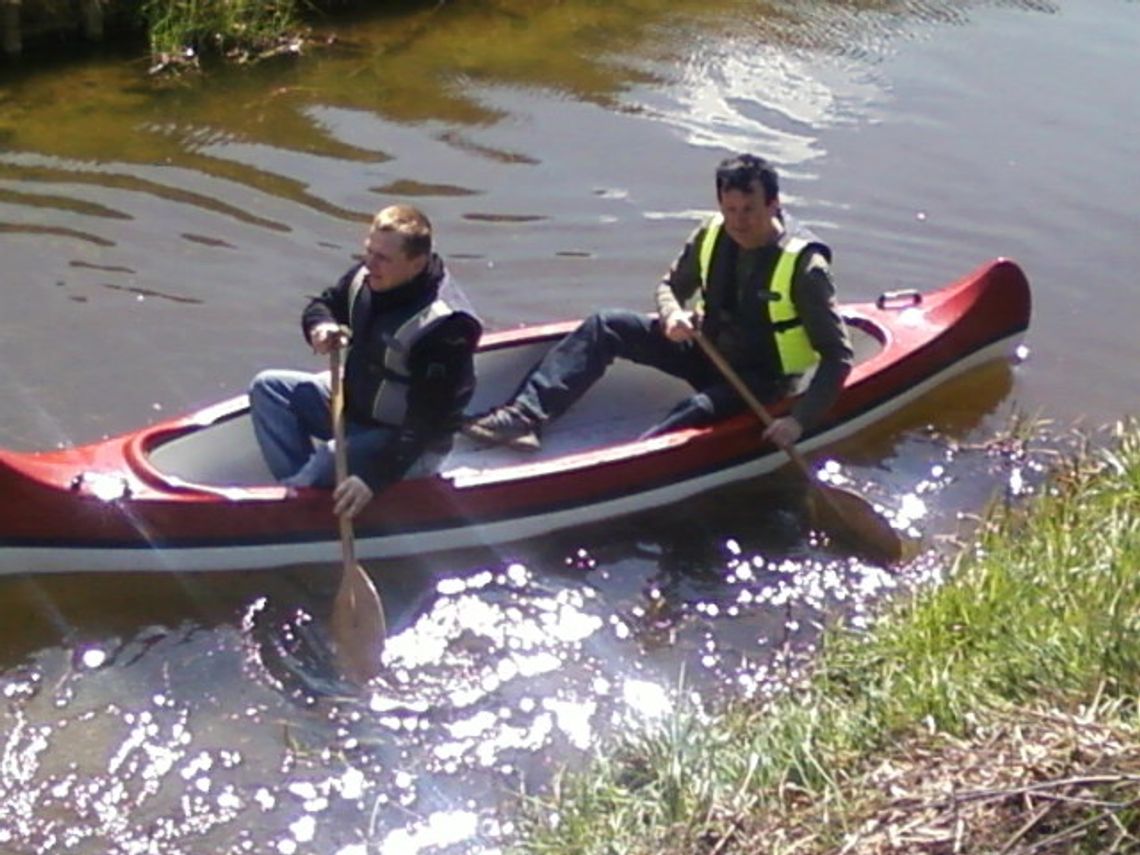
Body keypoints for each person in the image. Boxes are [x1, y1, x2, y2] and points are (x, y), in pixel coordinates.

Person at [462, 153, 853, 452]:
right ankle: (525, 416)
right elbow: (670, 287)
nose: (738, 222)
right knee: (607, 325)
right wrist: (672, 315)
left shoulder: (806, 269)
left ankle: (630, 463)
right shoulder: (712, 234)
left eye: (749, 210)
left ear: (773, 204)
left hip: (761, 382)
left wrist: (798, 421)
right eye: (730, 210)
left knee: (693, 412)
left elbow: (838, 357)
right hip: (706, 350)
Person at [249, 204, 481, 518]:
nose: (369, 263)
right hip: (354, 410)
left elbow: (428, 423)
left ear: (416, 263)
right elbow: (326, 304)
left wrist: (373, 478)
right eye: (368, 251)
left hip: (406, 441)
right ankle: (304, 492)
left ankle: (303, 499)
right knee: (269, 388)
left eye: (382, 258)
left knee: (330, 457)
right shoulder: (368, 277)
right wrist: (321, 327)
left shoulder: (446, 328)